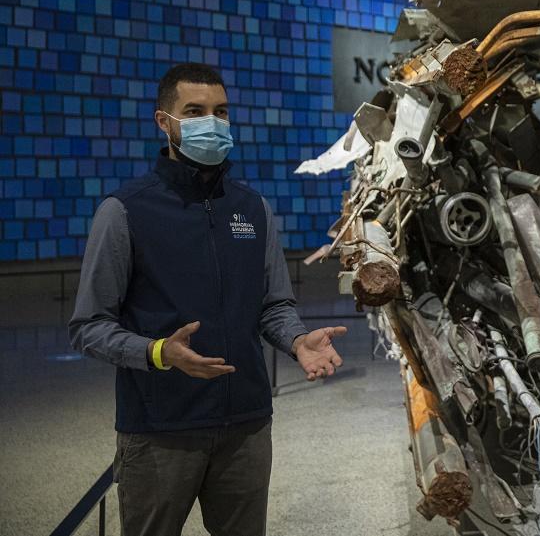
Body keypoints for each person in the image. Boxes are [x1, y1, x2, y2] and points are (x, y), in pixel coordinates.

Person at [68, 63, 348, 536]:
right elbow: (89, 325)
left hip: (247, 426)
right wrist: (158, 353)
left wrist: (297, 341)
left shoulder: (252, 208)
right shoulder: (124, 211)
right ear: (165, 122)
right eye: (195, 111)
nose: (211, 123)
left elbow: (273, 304)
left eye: (221, 112)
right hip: (161, 429)